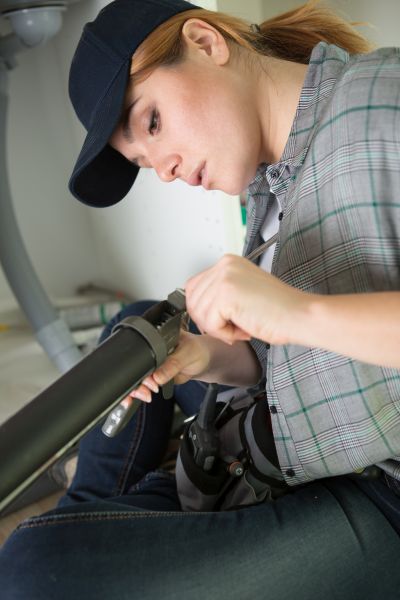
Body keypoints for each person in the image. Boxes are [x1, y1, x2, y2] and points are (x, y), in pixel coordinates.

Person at [1, 0, 400, 597]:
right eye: (142, 162)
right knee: (141, 329)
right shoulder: (272, 184)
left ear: (206, 42)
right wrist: (206, 359)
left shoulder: (382, 100)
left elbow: (306, 334)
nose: (164, 169)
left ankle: (95, 507)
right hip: (267, 447)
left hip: (373, 492)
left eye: (152, 122)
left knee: (33, 565)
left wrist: (291, 311)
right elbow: (300, 365)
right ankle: (97, 509)